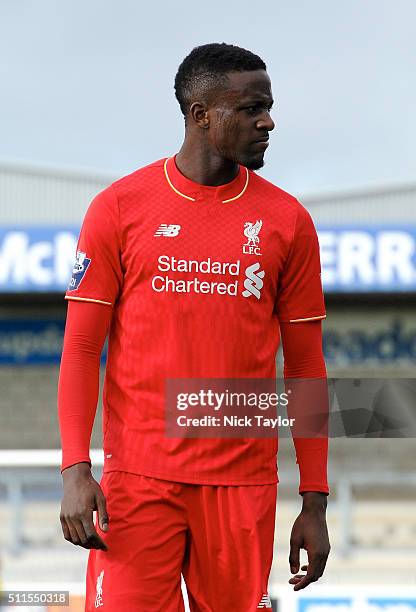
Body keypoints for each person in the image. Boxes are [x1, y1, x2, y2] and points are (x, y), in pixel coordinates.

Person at [58, 42, 330, 611]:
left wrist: (314, 498)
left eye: (270, 106)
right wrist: (75, 468)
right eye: (252, 108)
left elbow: (306, 366)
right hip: (138, 485)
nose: (269, 120)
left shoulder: (287, 222)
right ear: (200, 114)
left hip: (242, 488)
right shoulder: (119, 208)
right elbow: (82, 348)